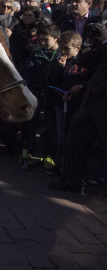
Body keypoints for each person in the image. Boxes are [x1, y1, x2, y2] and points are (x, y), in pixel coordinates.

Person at [49, 22, 107, 193]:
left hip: (103, 102)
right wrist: (90, 42)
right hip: (92, 100)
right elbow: (86, 61)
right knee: (75, 139)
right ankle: (71, 181)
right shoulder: (100, 47)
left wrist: (104, 40)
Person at [20, 24, 62, 169]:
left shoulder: (61, 55)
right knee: (31, 124)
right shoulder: (37, 53)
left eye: (46, 40)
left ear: (57, 39)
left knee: (51, 128)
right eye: (40, 40)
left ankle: (49, 155)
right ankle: (29, 152)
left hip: (53, 97)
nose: (42, 43)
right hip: (36, 94)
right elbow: (27, 72)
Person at [46, 31, 87, 175]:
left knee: (73, 135)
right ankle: (59, 163)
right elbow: (53, 82)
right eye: (62, 48)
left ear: (77, 48)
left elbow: (87, 80)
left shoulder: (84, 62)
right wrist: (60, 67)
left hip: (76, 105)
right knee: (60, 135)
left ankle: (71, 167)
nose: (64, 52)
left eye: (67, 49)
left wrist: (80, 87)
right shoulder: (62, 61)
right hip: (61, 103)